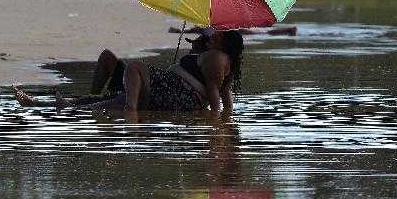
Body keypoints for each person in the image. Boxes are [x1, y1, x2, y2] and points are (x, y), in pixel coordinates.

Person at [16, 29, 243, 116]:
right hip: (169, 89)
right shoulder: (212, 55)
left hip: (174, 93)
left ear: (225, 41)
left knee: (135, 68)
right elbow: (225, 93)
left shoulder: (216, 57)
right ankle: (41, 105)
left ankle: (130, 112)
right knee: (107, 97)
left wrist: (218, 123)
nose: (213, 34)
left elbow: (217, 95)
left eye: (218, 34)